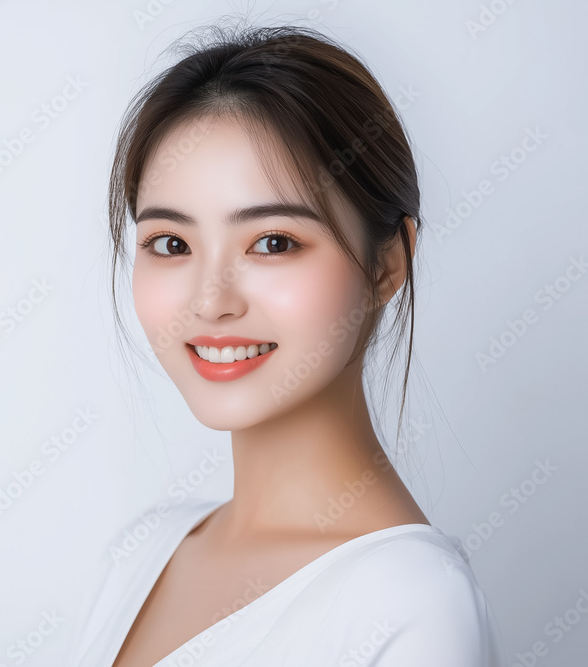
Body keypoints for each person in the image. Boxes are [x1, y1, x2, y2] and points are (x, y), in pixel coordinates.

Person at [68, 22, 506, 667]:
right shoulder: (143, 552)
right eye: (172, 244)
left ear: (389, 262)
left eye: (273, 243)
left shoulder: (413, 604)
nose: (211, 301)